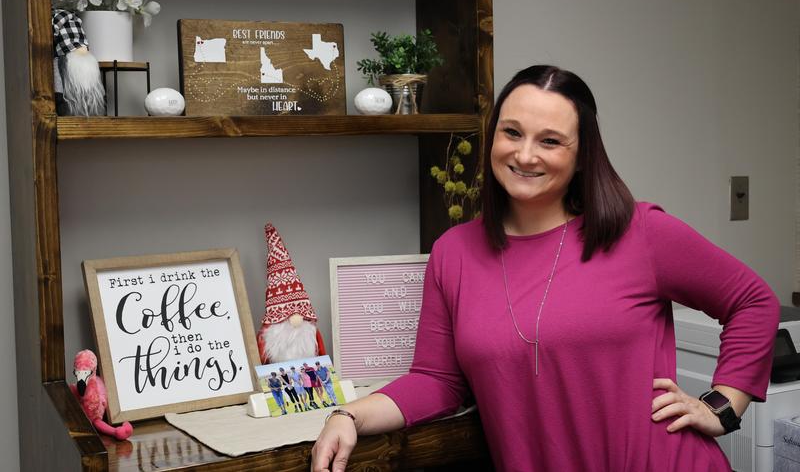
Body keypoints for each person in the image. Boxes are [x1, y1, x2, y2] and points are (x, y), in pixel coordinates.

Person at [312, 65, 780, 472]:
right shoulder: (453, 252)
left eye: (550, 141)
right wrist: (347, 416)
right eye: (511, 132)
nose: (525, 155)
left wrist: (723, 404)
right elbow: (437, 380)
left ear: (581, 157)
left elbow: (753, 301)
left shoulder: (639, 231)